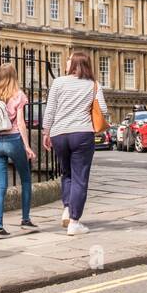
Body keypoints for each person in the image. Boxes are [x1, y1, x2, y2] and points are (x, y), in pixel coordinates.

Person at [42, 50, 108, 235]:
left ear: (76, 64)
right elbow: (103, 109)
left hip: (59, 134)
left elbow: (50, 110)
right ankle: (74, 222)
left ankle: (66, 208)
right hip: (82, 133)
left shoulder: (58, 82)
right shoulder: (93, 85)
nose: (66, 62)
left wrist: (46, 132)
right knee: (80, 178)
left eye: (69, 59)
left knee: (67, 173)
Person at [0, 63, 36, 237]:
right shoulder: (18, 95)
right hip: (13, 140)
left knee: (0, 186)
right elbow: (20, 123)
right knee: (26, 178)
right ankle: (25, 219)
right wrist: (27, 146)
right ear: (14, 76)